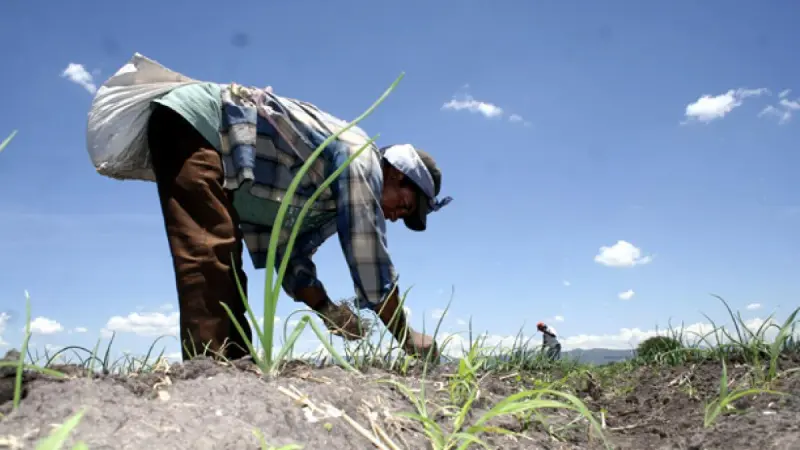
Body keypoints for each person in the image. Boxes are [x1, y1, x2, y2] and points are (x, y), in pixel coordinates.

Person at [144, 80, 452, 362]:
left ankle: (230, 372)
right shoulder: (361, 157)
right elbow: (366, 248)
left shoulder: (326, 203)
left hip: (206, 146)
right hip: (199, 126)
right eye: (406, 205)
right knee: (208, 253)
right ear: (398, 173)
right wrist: (405, 335)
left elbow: (288, 253)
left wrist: (327, 310)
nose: (397, 217)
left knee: (226, 266)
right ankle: (206, 378)